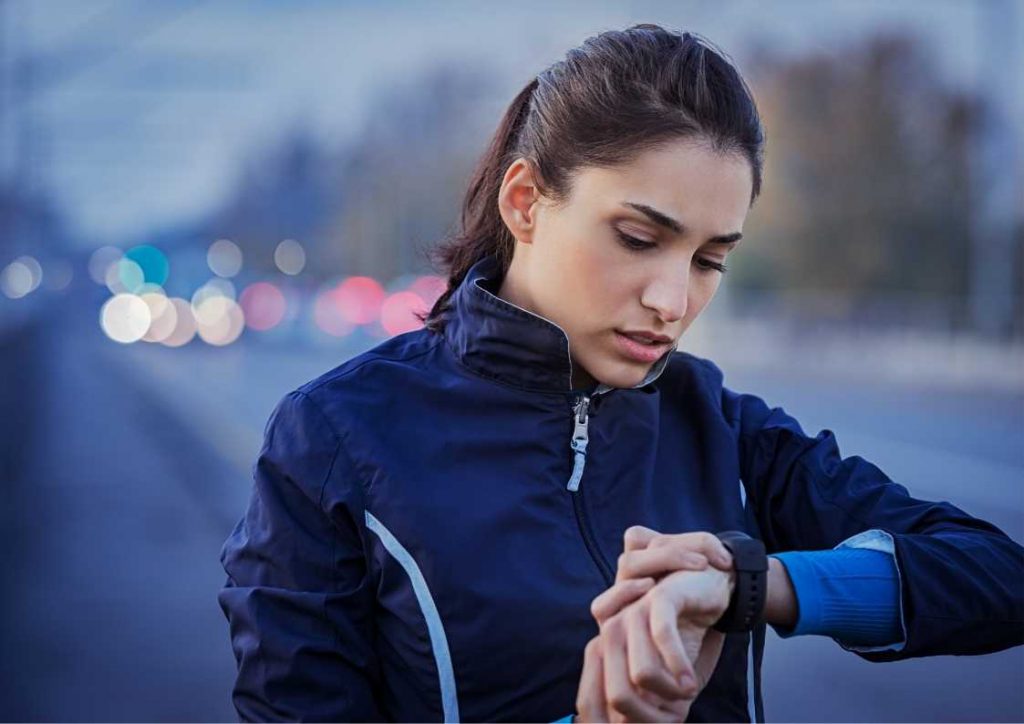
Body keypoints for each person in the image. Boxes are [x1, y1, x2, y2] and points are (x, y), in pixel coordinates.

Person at [217, 24, 1024, 723]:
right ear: (526, 201)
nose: (674, 300)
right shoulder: (335, 438)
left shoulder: (720, 425)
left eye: (711, 259)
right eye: (639, 238)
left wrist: (750, 584)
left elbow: (997, 575)